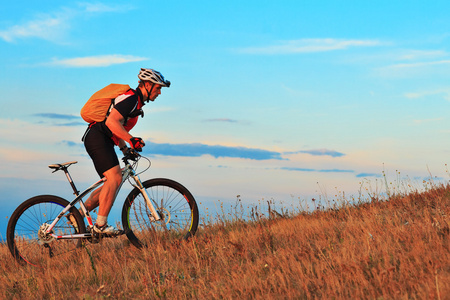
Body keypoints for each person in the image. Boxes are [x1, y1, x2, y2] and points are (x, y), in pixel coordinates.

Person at [82, 68, 170, 234]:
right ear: (148, 85)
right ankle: (100, 226)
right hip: (97, 137)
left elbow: (117, 128)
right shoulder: (131, 99)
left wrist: (125, 149)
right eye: (158, 88)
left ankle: (78, 215)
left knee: (111, 183)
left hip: (101, 139)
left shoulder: (136, 102)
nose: (159, 92)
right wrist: (132, 139)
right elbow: (111, 122)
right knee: (114, 178)